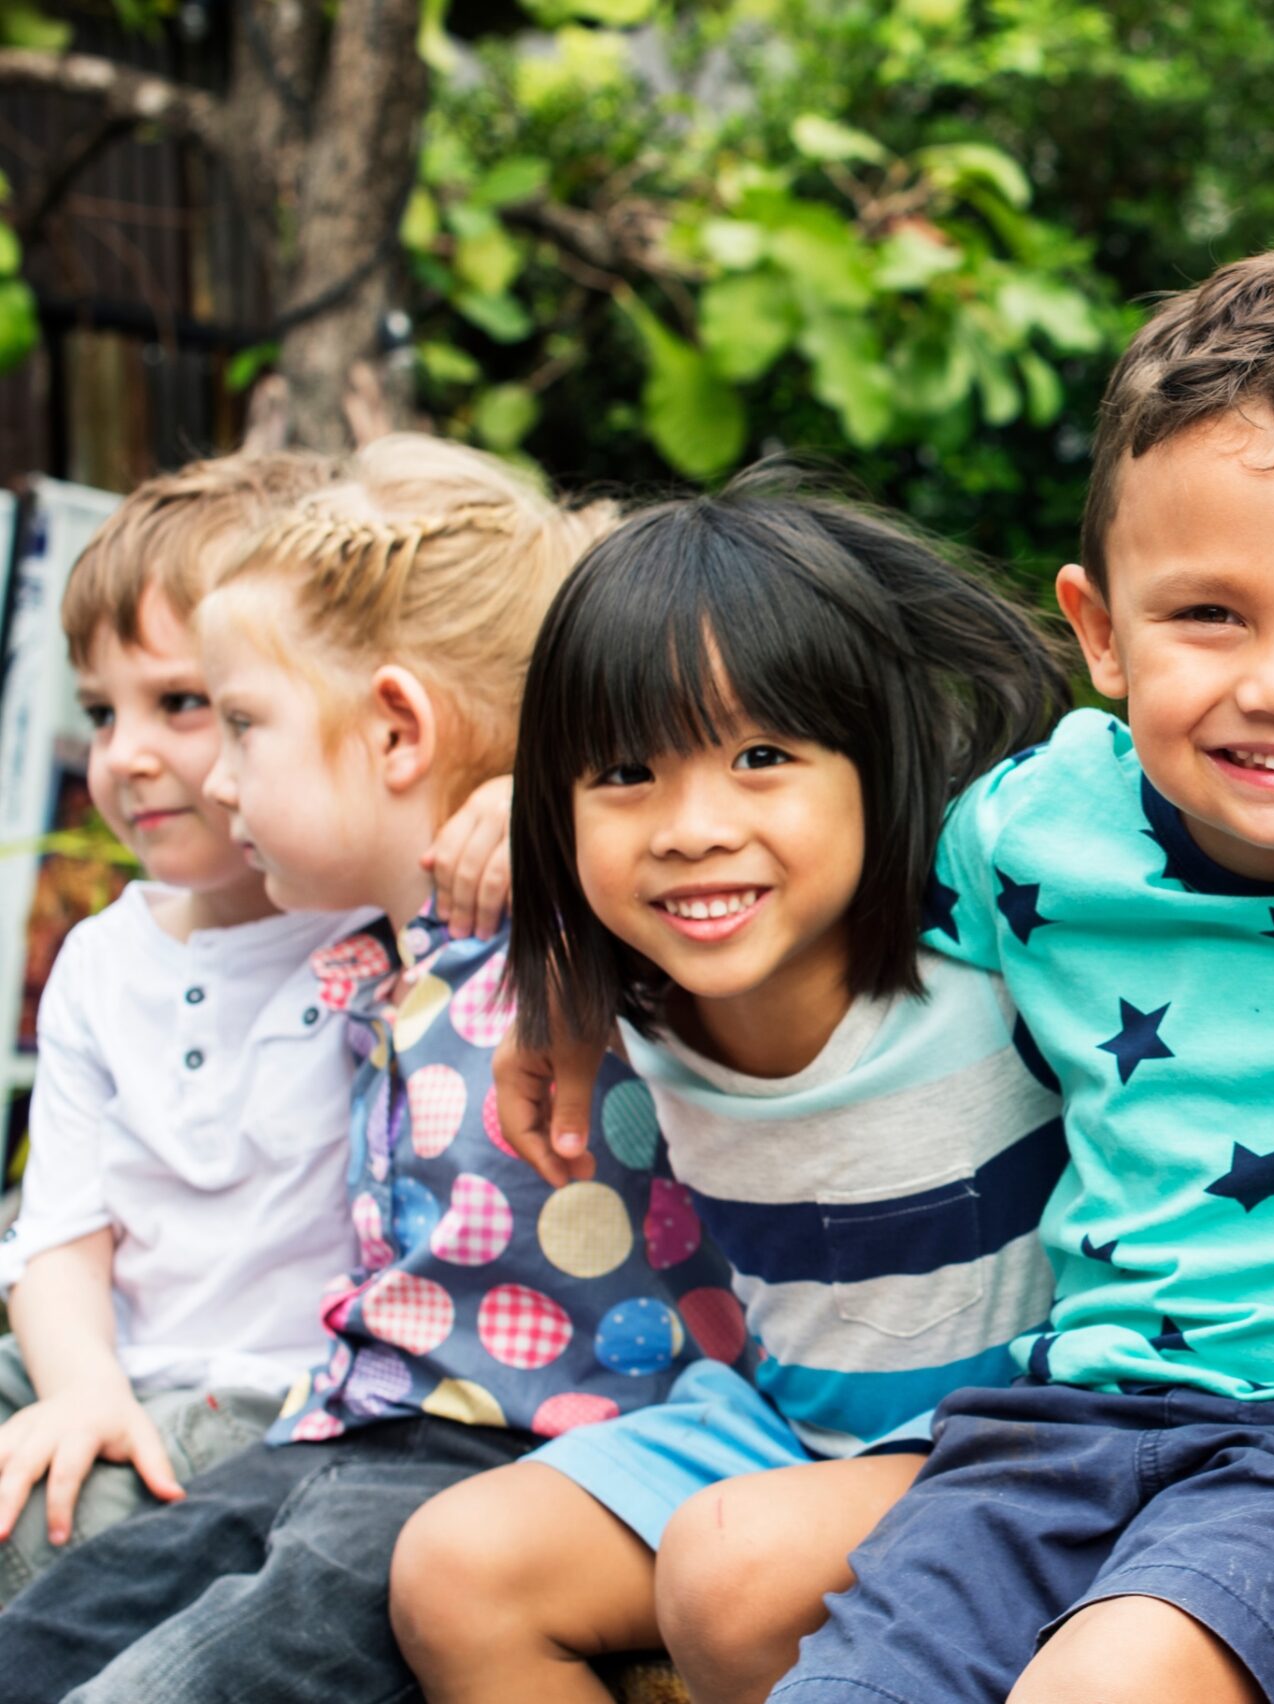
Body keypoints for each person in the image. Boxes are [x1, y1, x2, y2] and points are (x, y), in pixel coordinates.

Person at [701, 245, 1274, 1704]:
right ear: (1100, 629)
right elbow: (773, 892)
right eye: (1209, 615)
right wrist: (534, 891)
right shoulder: (1036, 831)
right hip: (1060, 1426)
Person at [0, 436, 733, 1704]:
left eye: (234, 726)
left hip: (525, 1456)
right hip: (346, 1430)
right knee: (40, 1645)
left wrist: (547, 802)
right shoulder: (364, 956)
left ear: (397, 729)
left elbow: (720, 802)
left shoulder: (593, 917)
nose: (215, 783)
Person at [386, 472, 1073, 1704]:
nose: (692, 826)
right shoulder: (634, 993)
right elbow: (543, 865)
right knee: (454, 1570)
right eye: (625, 774)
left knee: (732, 1566)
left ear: (876, 763)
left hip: (1033, 1438)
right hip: (789, 1430)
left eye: (763, 755)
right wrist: (555, 972)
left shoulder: (989, 945)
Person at [0, 454, 512, 1603]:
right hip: (104, 1363)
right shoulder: (101, 959)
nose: (126, 755)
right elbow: (60, 1234)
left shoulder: (399, 917)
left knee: (45, 1536)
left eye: (187, 705)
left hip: (279, 1401)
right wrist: (81, 1391)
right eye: (100, 711)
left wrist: (517, 803)